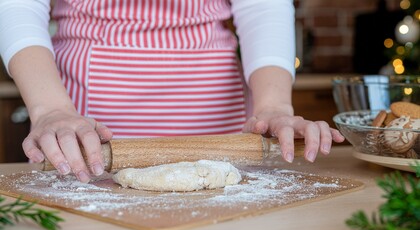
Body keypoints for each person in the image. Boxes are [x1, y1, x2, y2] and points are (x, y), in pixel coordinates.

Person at [0, 0, 345, 183]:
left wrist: (273, 104)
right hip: (88, 113)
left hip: (216, 104)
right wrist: (49, 109)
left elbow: (262, 5)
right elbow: (18, 3)